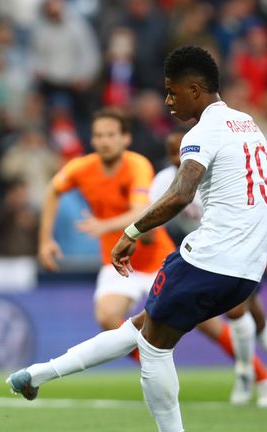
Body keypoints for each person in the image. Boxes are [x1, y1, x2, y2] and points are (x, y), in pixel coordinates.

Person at [9, 46, 267, 431]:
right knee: (141, 327)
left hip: (211, 257)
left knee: (152, 347)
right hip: (248, 271)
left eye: (173, 91)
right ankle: (38, 375)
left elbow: (181, 194)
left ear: (196, 90)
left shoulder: (203, 132)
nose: (168, 101)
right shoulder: (248, 124)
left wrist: (130, 232)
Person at [152, 130, 267, 407]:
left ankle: (247, 374)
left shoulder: (215, 167)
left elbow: (264, 166)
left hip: (238, 243)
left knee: (236, 311)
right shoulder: (163, 182)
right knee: (257, 319)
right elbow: (153, 218)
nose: (176, 158)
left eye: (180, 151)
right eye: (171, 153)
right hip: (205, 256)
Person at [37, 108, 172, 338]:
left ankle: (253, 368)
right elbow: (52, 190)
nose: (104, 141)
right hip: (117, 261)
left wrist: (104, 225)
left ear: (125, 138)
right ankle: (148, 359)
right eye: (98, 136)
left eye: (110, 135)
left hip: (155, 257)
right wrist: (45, 241)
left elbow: (141, 212)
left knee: (206, 323)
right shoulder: (82, 168)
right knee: (107, 318)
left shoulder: (137, 165)